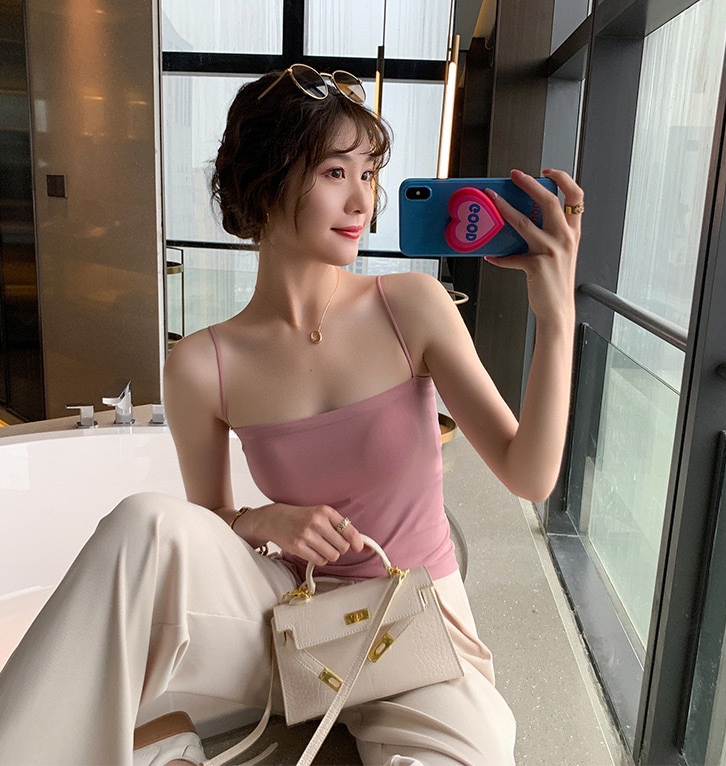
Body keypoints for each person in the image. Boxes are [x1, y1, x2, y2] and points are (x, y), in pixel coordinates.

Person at [0, 64, 582, 766]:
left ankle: (165, 745)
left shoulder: (410, 307)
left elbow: (529, 475)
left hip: (419, 631)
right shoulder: (203, 365)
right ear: (268, 182)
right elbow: (209, 527)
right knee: (143, 526)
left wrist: (557, 318)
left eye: (368, 173)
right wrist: (260, 520)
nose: (362, 199)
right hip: (290, 624)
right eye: (335, 172)